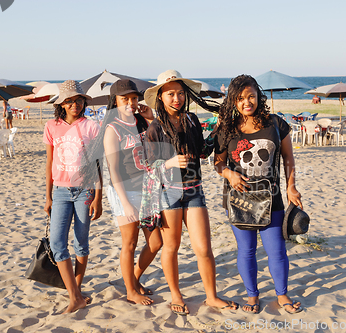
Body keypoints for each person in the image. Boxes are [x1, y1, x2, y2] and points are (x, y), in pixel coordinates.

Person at [142, 70, 238, 315]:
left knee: (204, 248)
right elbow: (147, 167)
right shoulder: (155, 127)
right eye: (171, 94)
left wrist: (218, 130)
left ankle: (212, 296)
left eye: (181, 93)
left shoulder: (193, 120)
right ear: (161, 98)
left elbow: (203, 152)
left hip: (195, 191)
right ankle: (175, 294)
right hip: (168, 194)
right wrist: (169, 163)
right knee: (171, 247)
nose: (177, 98)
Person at [214, 74, 303, 314]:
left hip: (271, 198)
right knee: (247, 251)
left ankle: (282, 295)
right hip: (238, 200)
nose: (247, 102)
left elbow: (288, 159)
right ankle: (252, 296)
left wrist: (290, 186)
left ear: (258, 96)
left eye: (251, 96)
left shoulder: (275, 124)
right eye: (241, 98)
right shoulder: (227, 129)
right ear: (234, 101)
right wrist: (229, 175)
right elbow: (218, 163)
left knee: (277, 250)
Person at [101, 79, 163, 305]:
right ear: (115, 101)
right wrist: (125, 203)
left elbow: (164, 137)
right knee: (130, 242)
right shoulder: (112, 129)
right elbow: (113, 170)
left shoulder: (142, 122)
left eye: (134, 98)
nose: (130, 102)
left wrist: (150, 117)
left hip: (147, 189)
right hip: (124, 190)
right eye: (124, 99)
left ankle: (134, 279)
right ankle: (130, 290)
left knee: (156, 242)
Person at [43, 80, 102, 314]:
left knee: (81, 242)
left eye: (79, 100)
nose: (75, 104)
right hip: (59, 192)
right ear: (62, 104)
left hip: (85, 191)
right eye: (70, 101)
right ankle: (75, 296)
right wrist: (47, 196)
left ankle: (76, 292)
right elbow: (49, 162)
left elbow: (98, 164)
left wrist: (98, 197)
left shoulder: (92, 127)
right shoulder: (51, 126)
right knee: (57, 243)